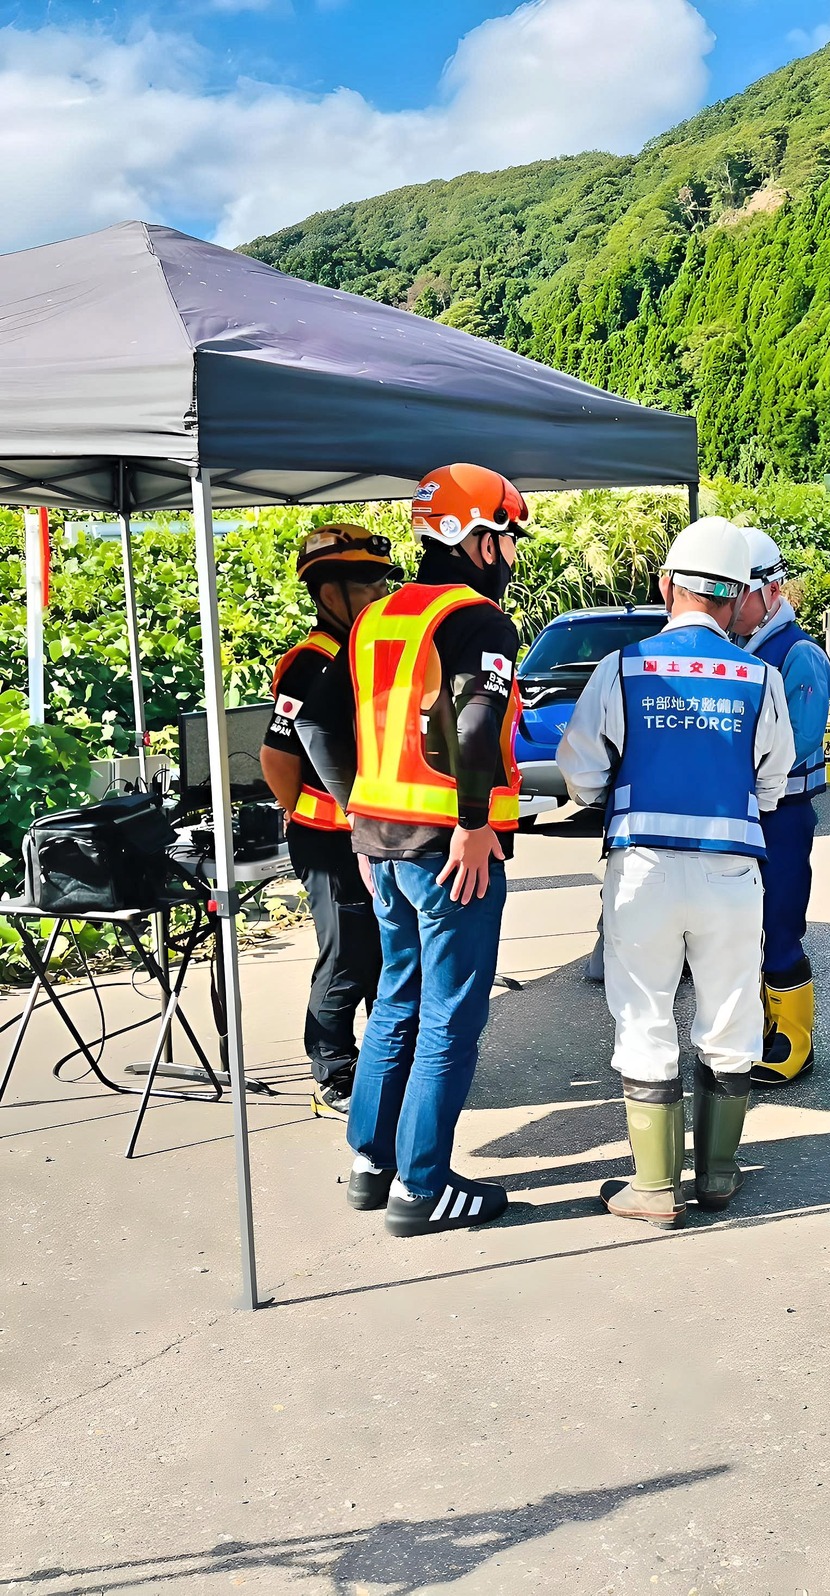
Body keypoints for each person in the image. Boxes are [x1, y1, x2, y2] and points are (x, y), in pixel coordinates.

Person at [297, 463, 527, 1236]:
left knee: (398, 999)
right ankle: (423, 1187)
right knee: (450, 1015)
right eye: (508, 538)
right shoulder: (477, 619)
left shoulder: (375, 617)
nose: (514, 555)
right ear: (476, 540)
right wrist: (470, 823)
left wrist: (356, 814)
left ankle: (372, 1164)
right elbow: (470, 723)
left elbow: (315, 723)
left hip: (384, 843)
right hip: (451, 848)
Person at [557, 517, 794, 1227]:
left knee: (643, 1015)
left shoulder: (623, 668)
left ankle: (655, 1188)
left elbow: (581, 770)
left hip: (644, 868)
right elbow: (774, 783)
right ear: (736, 600)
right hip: (730, 873)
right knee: (729, 1015)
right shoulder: (762, 676)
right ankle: (718, 1174)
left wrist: (609, 794)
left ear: (666, 586)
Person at [260, 525, 389, 1116]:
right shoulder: (311, 665)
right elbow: (277, 758)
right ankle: (333, 1073)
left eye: (380, 579)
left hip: (368, 833)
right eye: (365, 582)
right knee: (347, 956)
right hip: (327, 838)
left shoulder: (362, 650)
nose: (378, 591)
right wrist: (307, 811)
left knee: (383, 954)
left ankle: (383, 1063)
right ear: (327, 593)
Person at [731, 527, 830, 1085]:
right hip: (747, 812)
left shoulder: (800, 655)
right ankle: (763, 1030)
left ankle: (795, 1039)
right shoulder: (737, 647)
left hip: (785, 814)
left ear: (770, 590)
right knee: (746, 927)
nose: (730, 605)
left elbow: (797, 741)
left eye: (738, 593)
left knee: (781, 922)